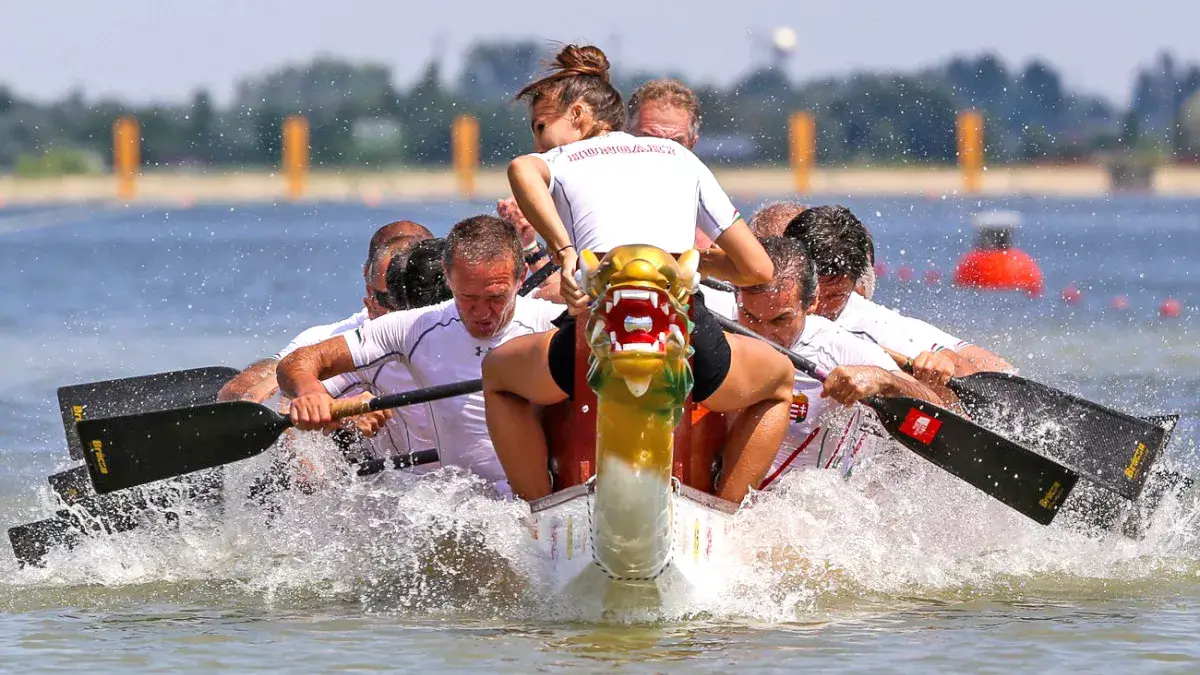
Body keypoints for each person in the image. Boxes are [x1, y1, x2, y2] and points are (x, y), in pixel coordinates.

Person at [482, 44, 794, 505]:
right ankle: (729, 514)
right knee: (780, 381)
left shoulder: (564, 160)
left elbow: (520, 169)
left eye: (541, 126)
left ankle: (538, 513)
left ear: (580, 114)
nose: (538, 141)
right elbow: (757, 269)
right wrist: (683, 256)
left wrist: (566, 252)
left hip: (592, 337)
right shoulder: (681, 158)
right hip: (685, 337)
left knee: (497, 376)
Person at [279, 215, 566, 495]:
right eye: (467, 297)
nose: (481, 313)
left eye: (495, 298)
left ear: (521, 277)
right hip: (470, 510)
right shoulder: (413, 328)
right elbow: (300, 361)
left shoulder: (552, 321)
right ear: (448, 274)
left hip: (541, 497)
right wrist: (310, 392)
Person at [736, 237, 941, 482]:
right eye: (750, 316)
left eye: (780, 320)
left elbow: (937, 420)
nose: (763, 335)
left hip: (796, 506)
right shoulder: (722, 314)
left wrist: (885, 379)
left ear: (812, 302)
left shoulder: (836, 346)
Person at [784, 205, 1014, 386]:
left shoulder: (872, 324)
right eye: (809, 294)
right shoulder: (759, 298)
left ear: (856, 285)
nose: (817, 307)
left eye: (834, 296)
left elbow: (991, 370)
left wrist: (944, 368)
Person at [217, 220, 433, 405]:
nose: (408, 311)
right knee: (289, 402)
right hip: (374, 451)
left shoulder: (455, 324)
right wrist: (328, 408)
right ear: (369, 283)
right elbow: (239, 390)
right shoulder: (330, 339)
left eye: (421, 295)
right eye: (392, 297)